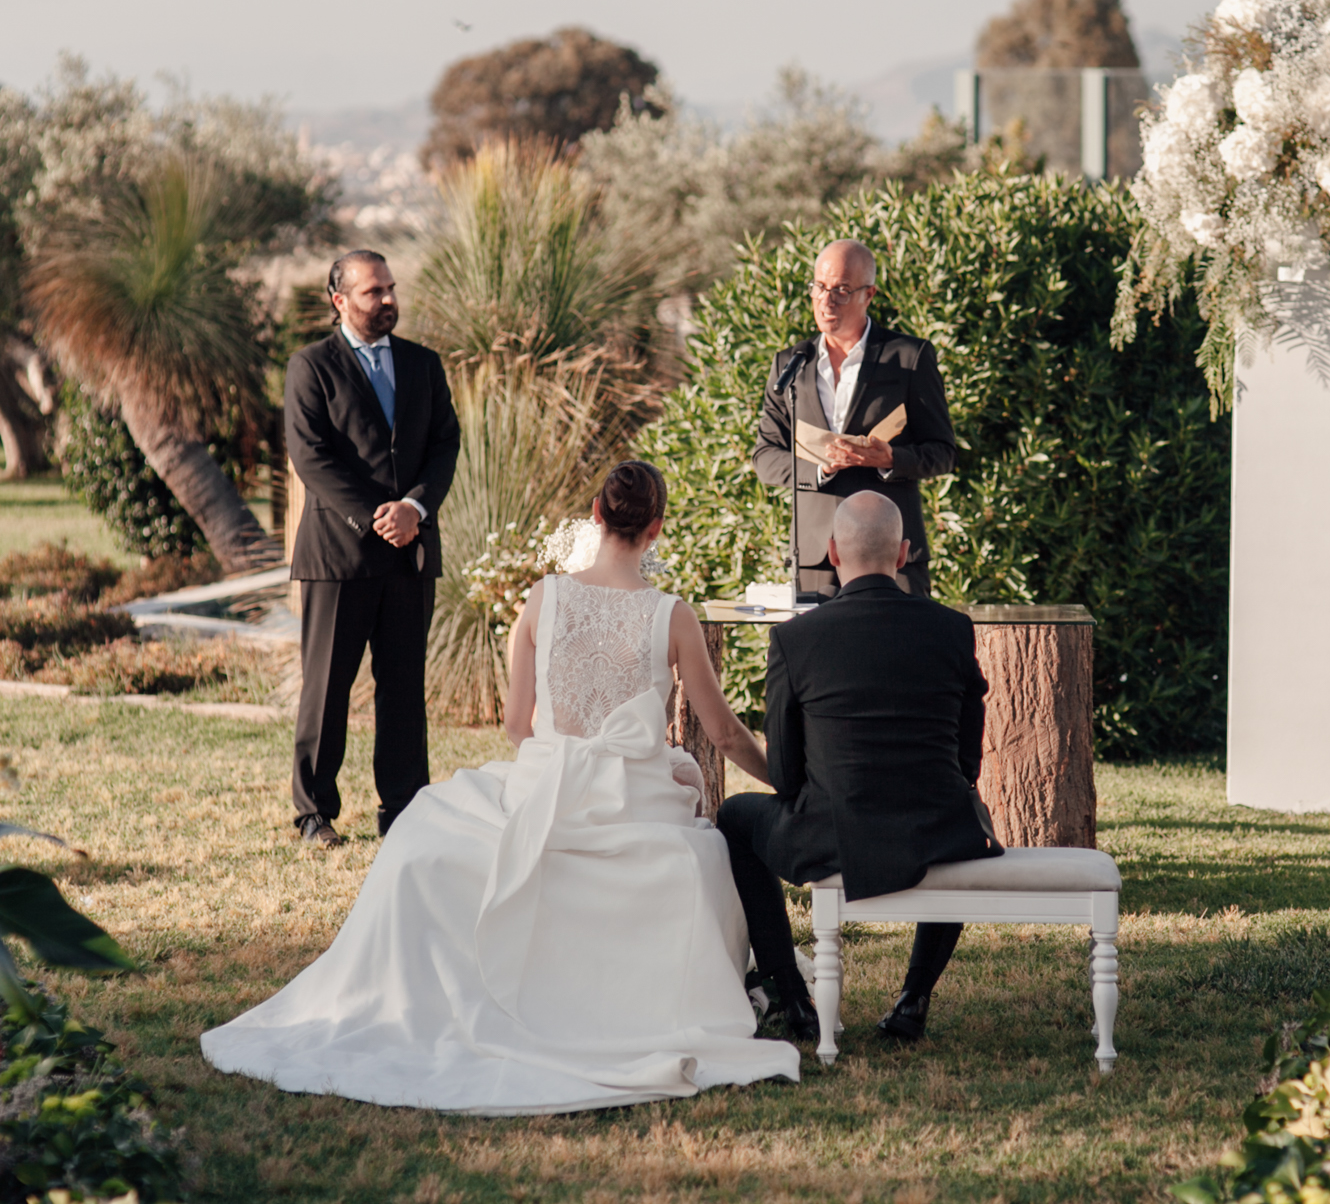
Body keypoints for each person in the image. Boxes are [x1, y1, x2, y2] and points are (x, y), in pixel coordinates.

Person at [202, 462, 801, 1113]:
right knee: (703, 855)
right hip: (636, 798)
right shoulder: (672, 615)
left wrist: (562, 759)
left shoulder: (543, 598)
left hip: (546, 784)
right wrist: (784, 779)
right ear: (655, 529)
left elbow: (517, 726)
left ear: (595, 514)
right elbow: (723, 732)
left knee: (426, 827)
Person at [717, 492, 1000, 1044]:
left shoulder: (795, 638)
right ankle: (913, 999)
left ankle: (794, 999)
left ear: (830, 553)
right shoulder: (952, 628)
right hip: (936, 827)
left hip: (830, 835)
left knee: (734, 818)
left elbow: (787, 772)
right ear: (904, 554)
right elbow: (968, 757)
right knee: (964, 808)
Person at [285, 250, 461, 846]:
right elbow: (311, 456)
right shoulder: (310, 367)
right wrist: (374, 517)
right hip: (339, 556)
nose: (387, 300)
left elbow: (444, 445)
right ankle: (314, 813)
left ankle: (405, 810)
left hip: (410, 553)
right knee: (327, 688)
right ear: (339, 301)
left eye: (390, 288)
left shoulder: (423, 364)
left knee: (405, 689)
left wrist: (414, 508)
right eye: (372, 292)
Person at [752, 239, 956, 598]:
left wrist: (891, 459)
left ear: (869, 294)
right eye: (820, 287)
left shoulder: (910, 357)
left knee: (901, 654)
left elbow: (943, 452)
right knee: (817, 656)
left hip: (893, 555)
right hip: (816, 555)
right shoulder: (790, 364)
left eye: (842, 290)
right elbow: (765, 456)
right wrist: (819, 468)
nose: (827, 300)